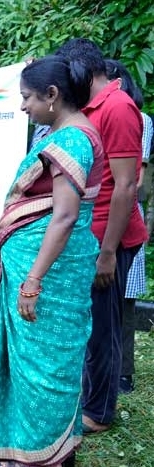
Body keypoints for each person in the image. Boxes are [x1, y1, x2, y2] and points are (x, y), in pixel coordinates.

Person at [0, 55, 103, 467]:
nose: (23, 105)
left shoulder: (73, 139)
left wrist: (33, 281)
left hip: (51, 273)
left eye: (27, 97)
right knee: (24, 362)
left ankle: (43, 453)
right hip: (38, 264)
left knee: (46, 367)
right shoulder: (60, 131)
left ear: (52, 95)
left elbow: (63, 216)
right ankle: (19, 444)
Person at [55, 38, 148, 435]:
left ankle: (99, 411)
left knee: (104, 328)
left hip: (110, 239)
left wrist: (108, 252)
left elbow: (128, 186)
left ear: (79, 70)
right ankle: (89, 398)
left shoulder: (118, 106)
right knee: (90, 323)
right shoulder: (94, 108)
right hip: (92, 236)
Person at [103, 59, 153, 394]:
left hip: (125, 212)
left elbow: (135, 177)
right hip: (106, 211)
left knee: (125, 298)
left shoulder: (139, 118)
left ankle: (123, 372)